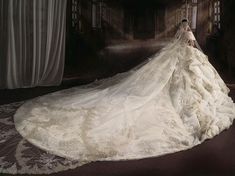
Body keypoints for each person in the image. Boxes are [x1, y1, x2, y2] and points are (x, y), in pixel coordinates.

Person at [14, 19, 235, 163]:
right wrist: (192, 49)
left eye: (186, 28)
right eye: (186, 29)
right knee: (184, 87)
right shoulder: (188, 39)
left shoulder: (182, 38)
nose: (187, 31)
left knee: (189, 85)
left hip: (188, 63)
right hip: (189, 63)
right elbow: (193, 48)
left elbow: (189, 49)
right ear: (185, 29)